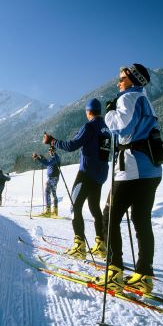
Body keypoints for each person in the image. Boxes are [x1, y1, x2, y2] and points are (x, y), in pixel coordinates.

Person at [94, 63, 163, 293]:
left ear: (132, 80)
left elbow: (122, 128)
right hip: (151, 170)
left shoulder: (128, 98)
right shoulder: (144, 99)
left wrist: (111, 112)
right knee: (141, 220)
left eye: (122, 78)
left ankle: (114, 271)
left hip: (133, 168)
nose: (118, 82)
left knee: (109, 217)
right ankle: (144, 274)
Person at [43, 98, 111, 260]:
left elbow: (72, 145)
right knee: (95, 208)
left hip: (87, 172)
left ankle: (79, 245)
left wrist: (52, 141)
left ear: (88, 111)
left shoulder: (89, 126)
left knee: (75, 206)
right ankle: (101, 244)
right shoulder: (106, 128)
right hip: (101, 174)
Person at [32, 146, 61, 217]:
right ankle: (55, 211)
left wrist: (38, 158)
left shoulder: (55, 158)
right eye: (49, 150)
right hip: (54, 178)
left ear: (54, 150)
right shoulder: (54, 158)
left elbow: (47, 164)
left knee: (47, 192)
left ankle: (48, 211)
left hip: (53, 178)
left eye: (51, 150)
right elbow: (49, 164)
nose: (50, 152)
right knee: (53, 194)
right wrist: (42, 158)